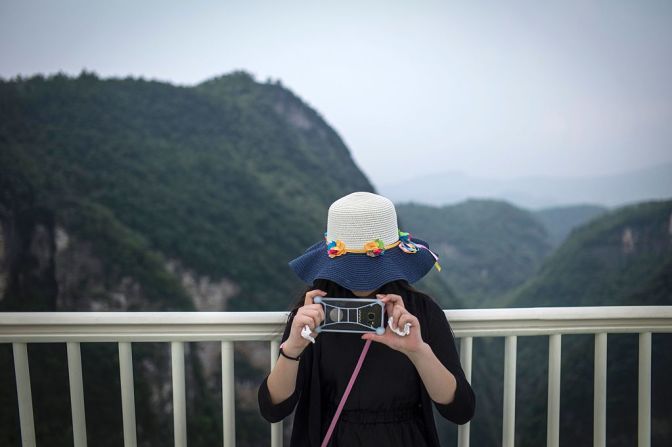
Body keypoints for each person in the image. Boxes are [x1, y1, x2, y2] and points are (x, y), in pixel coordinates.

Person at [257, 191, 475, 446]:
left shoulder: (419, 312)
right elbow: (273, 408)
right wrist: (292, 349)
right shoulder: (312, 313)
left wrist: (418, 351)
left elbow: (460, 409)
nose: (361, 278)